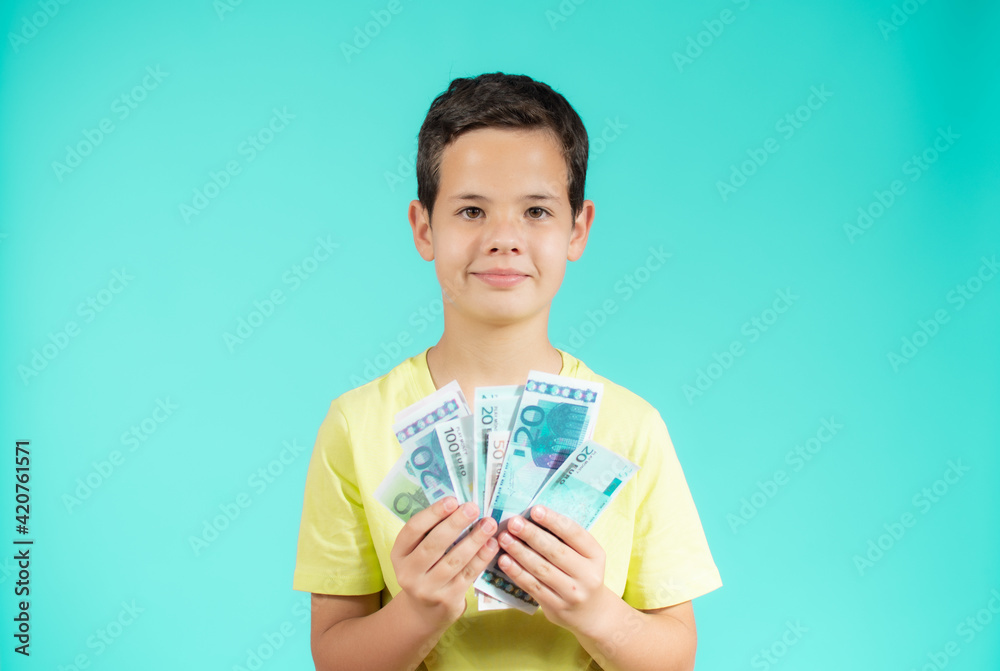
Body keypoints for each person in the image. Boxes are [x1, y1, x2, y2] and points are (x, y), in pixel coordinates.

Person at [293, 72, 723, 671]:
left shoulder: (632, 427)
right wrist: (417, 612)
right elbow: (333, 656)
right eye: (471, 209)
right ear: (424, 227)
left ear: (578, 228)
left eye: (537, 211)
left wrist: (594, 610)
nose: (503, 239)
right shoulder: (356, 425)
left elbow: (676, 657)